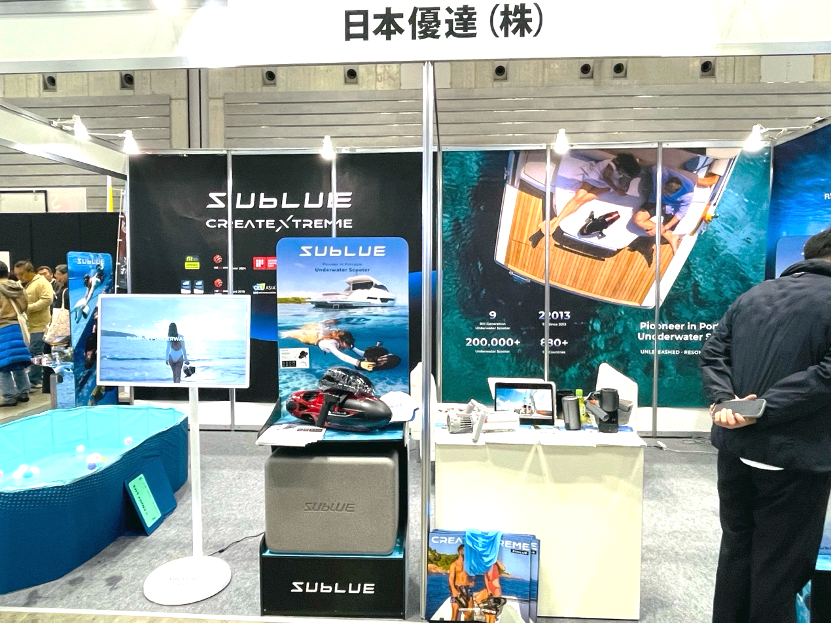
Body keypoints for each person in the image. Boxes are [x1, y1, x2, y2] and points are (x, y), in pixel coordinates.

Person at [699, 228, 831, 623]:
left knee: (736, 550)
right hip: (795, 452)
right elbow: (826, 376)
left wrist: (726, 402)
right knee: (780, 565)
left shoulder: (753, 295)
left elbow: (713, 352)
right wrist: (762, 409)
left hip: (735, 446)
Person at [528, 152, 641, 248]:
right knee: (578, 198)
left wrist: (623, 187)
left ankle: (552, 225)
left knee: (582, 201)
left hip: (607, 184)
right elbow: (605, 176)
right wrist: (616, 189)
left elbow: (626, 183)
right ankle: (553, 225)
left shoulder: (629, 171)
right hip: (596, 176)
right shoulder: (614, 163)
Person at [631, 165, 695, 254]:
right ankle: (670, 236)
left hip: (671, 207)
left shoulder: (688, 194)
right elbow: (653, 167)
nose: (664, 193)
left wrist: (665, 227)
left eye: (668, 194)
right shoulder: (662, 174)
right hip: (655, 200)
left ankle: (667, 233)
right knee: (637, 219)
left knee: (663, 232)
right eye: (663, 189)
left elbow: (681, 213)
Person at [13, 260, 53, 389]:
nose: (19, 277)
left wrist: (28, 308)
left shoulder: (42, 282)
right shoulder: (20, 284)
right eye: (17, 275)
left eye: (21, 274)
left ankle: (34, 380)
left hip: (40, 325)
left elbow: (47, 299)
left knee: (36, 352)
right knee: (31, 352)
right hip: (26, 326)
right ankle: (33, 379)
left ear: (30, 272)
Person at [0, 262, 33, 407]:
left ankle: (9, 396)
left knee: (2, 366)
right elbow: (25, 306)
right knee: (18, 362)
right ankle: (24, 392)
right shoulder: (17, 286)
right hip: (17, 326)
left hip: (2, 328)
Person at [282, 321, 375, 371]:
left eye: (351, 342)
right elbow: (340, 355)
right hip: (309, 339)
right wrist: (359, 363)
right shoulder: (331, 343)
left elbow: (357, 350)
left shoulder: (345, 343)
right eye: (348, 342)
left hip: (318, 336)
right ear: (341, 340)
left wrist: (371, 357)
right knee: (288, 334)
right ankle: (286, 333)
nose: (350, 345)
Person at [448, 544, 473, 621]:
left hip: (467, 589)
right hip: (457, 588)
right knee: (455, 612)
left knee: (469, 612)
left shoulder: (468, 564)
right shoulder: (454, 564)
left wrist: (472, 581)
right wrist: (453, 590)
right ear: (460, 552)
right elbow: (451, 578)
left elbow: (473, 575)